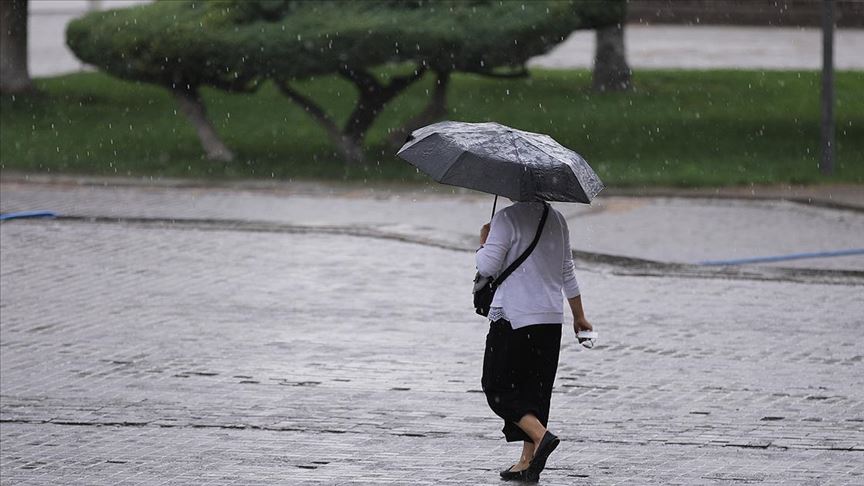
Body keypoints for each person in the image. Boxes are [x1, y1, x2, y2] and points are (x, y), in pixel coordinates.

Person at [476, 200, 592, 482]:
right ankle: (527, 461)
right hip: (550, 319)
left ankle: (542, 436)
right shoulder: (557, 219)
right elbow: (567, 271)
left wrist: (484, 240)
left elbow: (487, 266)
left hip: (514, 318)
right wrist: (580, 317)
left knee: (496, 387)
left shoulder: (506, 218)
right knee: (535, 391)